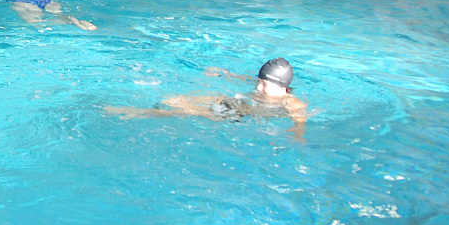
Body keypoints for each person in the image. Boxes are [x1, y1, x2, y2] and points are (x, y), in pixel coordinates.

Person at [106, 58, 310, 140]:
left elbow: (300, 118)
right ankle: (155, 108)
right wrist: (223, 73)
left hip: (238, 113)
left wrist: (297, 133)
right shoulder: (267, 87)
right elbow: (244, 79)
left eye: (264, 85)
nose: (258, 87)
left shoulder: (291, 102)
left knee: (185, 111)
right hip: (234, 101)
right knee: (176, 99)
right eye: (259, 82)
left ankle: (137, 113)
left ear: (283, 88)